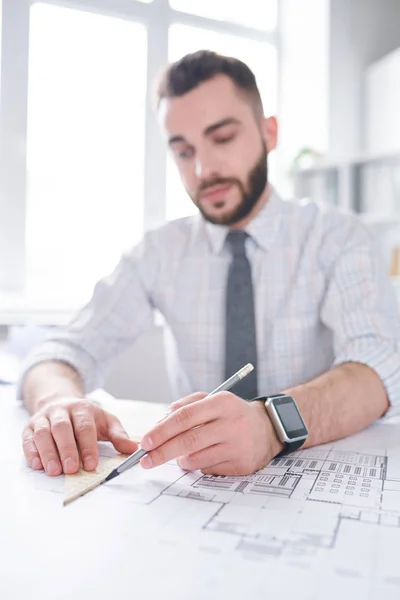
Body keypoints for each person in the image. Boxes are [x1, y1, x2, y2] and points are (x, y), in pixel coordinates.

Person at [20, 50, 400, 479]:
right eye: (183, 152)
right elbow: (61, 353)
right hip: (202, 493)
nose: (203, 169)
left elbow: (379, 365)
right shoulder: (158, 252)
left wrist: (272, 424)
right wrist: (57, 403)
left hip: (321, 478)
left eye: (222, 139)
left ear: (268, 133)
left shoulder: (338, 237)